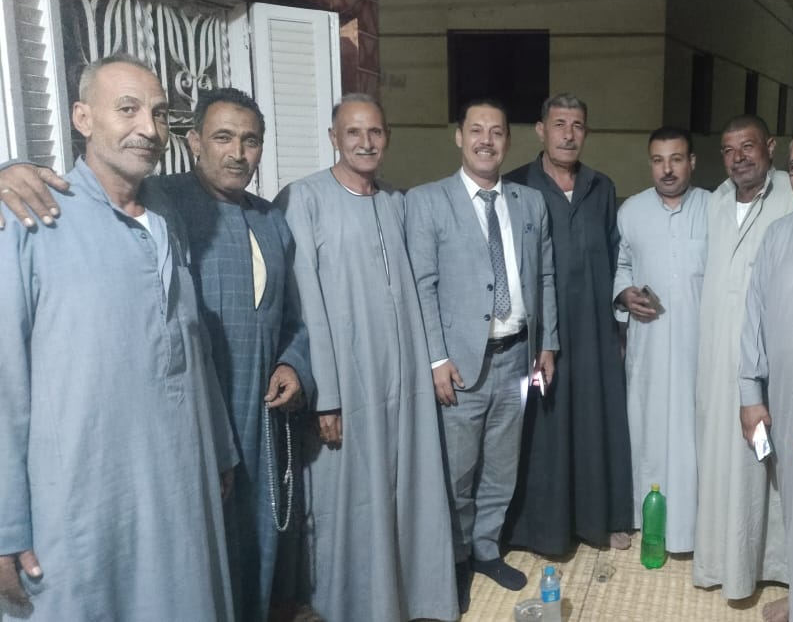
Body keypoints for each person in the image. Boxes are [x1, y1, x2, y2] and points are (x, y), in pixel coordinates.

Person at [0, 86, 313, 622]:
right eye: (223, 137)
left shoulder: (262, 220)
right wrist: (10, 170)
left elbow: (291, 318)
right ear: (194, 144)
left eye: (250, 140)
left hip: (243, 423)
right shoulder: (165, 200)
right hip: (154, 440)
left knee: (241, 557)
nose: (237, 153)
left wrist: (293, 363)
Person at [272, 94, 457, 622]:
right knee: (348, 500)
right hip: (346, 386)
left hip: (405, 384)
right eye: (353, 132)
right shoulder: (303, 198)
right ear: (334, 137)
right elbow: (304, 305)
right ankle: (350, 607)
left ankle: (412, 599)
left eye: (375, 132)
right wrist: (326, 397)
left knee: (409, 491)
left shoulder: (396, 201)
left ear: (387, 138)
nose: (365, 142)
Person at [405, 98, 558, 614]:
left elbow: (544, 276)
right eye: (476, 130)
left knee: (501, 465)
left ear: (508, 141)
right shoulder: (428, 201)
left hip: (518, 358)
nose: (486, 141)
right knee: (457, 472)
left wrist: (547, 344)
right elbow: (423, 287)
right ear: (459, 137)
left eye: (496, 132)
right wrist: (435, 359)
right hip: (460, 365)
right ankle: (454, 561)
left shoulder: (529, 203)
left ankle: (487, 549)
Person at [503, 93, 633, 555]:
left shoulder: (602, 187)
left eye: (577, 125)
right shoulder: (516, 186)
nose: (568, 134)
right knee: (544, 427)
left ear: (586, 132)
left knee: (596, 422)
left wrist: (621, 321)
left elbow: (617, 257)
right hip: (540, 335)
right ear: (541, 130)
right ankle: (541, 529)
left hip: (595, 331)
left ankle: (601, 520)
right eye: (559, 124)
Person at [693, 114, 793, 603]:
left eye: (748, 146)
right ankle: (720, 560)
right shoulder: (714, 202)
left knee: (763, 464)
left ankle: (766, 565)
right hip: (716, 364)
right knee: (720, 460)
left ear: (770, 147)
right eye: (729, 150)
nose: (738, 158)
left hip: (768, 364)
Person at [613, 126, 708, 553]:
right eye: (658, 160)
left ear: (692, 162)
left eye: (676, 159)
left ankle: (692, 528)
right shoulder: (631, 211)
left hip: (697, 348)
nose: (667, 169)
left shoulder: (715, 207)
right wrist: (623, 293)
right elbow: (621, 264)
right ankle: (643, 518)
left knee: (693, 438)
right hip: (648, 348)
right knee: (646, 432)